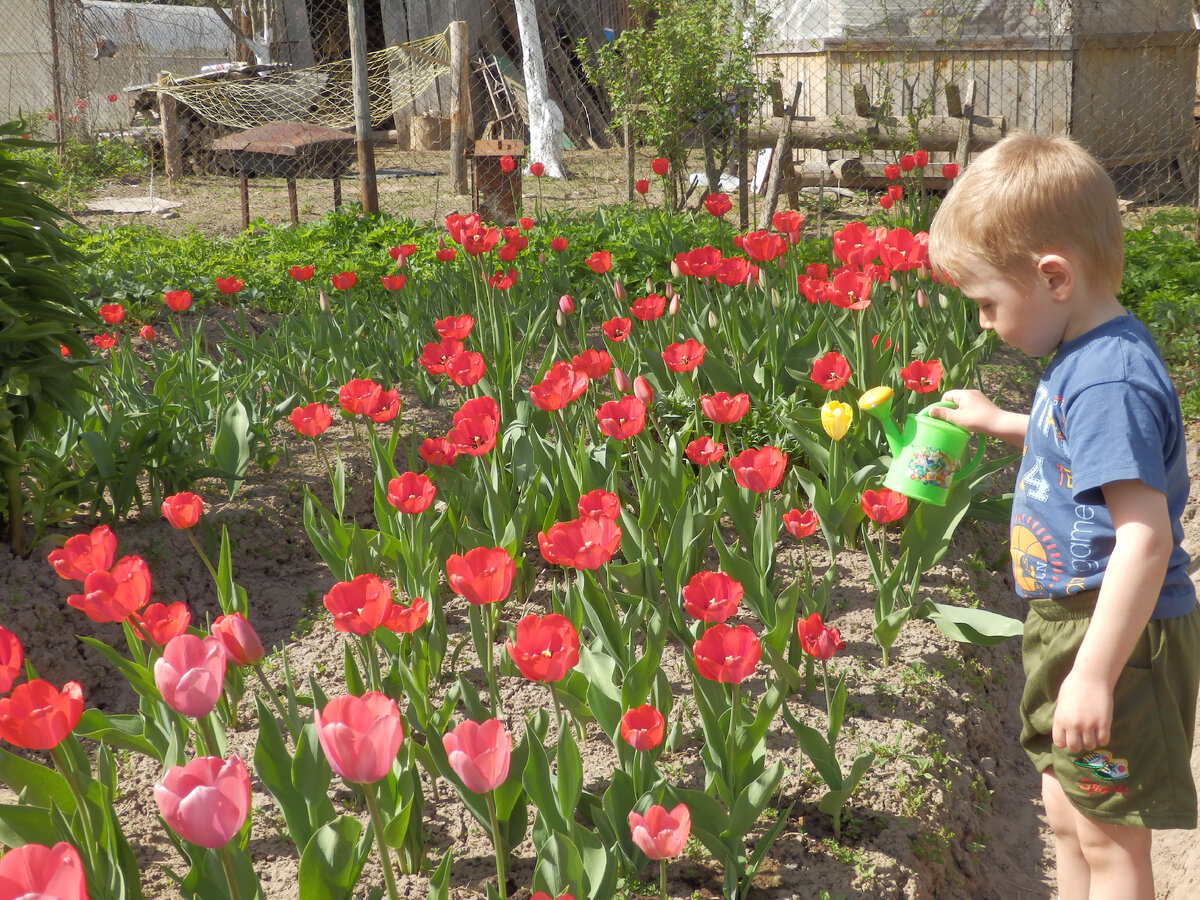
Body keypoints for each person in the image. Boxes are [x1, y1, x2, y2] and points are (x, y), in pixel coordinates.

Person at [926, 132, 1200, 900]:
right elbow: (1080, 448)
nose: (984, 324)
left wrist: (1094, 674)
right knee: (1064, 808)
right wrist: (1002, 420)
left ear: (1052, 276)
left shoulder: (1110, 378)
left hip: (1113, 632)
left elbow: (1145, 538)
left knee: (1110, 837)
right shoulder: (1083, 356)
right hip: (1069, 619)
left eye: (987, 303)